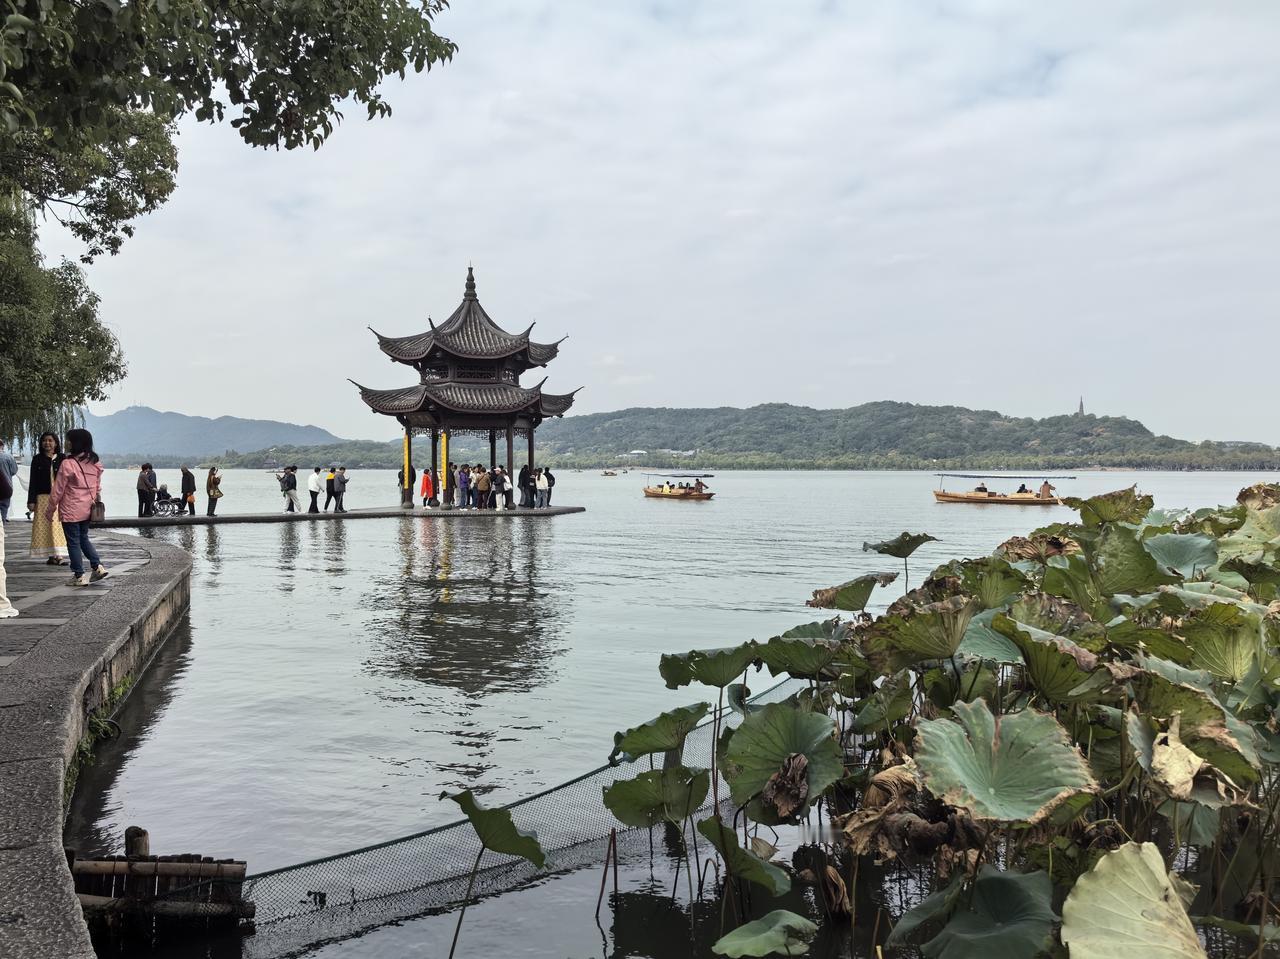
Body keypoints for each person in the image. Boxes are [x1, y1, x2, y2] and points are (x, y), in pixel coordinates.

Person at [47, 428, 108, 587]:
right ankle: (97, 566)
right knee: (83, 538)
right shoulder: (95, 463)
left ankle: (79, 575)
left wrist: (50, 510)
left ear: (76, 443)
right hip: (87, 508)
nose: (66, 442)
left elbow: (58, 490)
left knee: (73, 542)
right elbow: (97, 487)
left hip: (71, 509)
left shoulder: (68, 464)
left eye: (68, 440)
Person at [27, 432, 68, 565]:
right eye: (44, 440)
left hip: (60, 497)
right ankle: (51, 555)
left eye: (50, 440)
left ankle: (59, 554)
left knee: (57, 525)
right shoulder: (37, 459)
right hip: (43, 497)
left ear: (56, 443)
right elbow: (33, 481)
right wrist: (31, 500)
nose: (47, 443)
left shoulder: (63, 458)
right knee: (45, 526)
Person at [0, 439, 18, 522]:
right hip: (6, 487)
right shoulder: (8, 457)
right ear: (2, 446)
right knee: (3, 509)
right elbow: (14, 471)